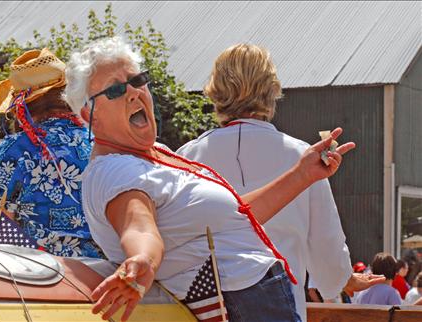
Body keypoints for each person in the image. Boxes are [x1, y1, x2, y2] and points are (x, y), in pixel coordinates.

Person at [61, 36, 383, 322]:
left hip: (255, 301)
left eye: (138, 79)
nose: (133, 91)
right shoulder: (116, 170)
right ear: (88, 115)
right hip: (245, 305)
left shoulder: (163, 154)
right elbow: (138, 225)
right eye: (116, 89)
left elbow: (234, 219)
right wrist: (141, 259)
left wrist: (303, 174)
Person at [176, 43, 364, 320]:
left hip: (206, 311)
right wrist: (342, 279)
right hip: (279, 308)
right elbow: (327, 248)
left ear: (215, 90)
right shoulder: (303, 157)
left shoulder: (186, 158)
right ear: (272, 90)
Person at [0, 48, 104, 259]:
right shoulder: (100, 140)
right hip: (104, 273)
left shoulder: (15, 149)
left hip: (44, 275)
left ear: (21, 107)